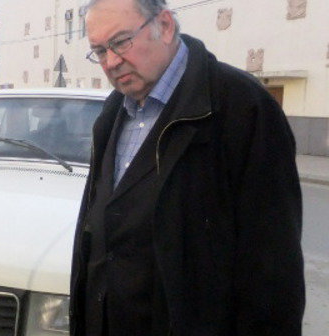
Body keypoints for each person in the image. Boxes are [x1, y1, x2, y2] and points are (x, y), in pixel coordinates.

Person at [69, 0, 305, 335]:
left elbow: (272, 269)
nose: (111, 62)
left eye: (121, 42)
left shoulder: (243, 107)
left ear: (164, 26)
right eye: (99, 50)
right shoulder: (113, 112)